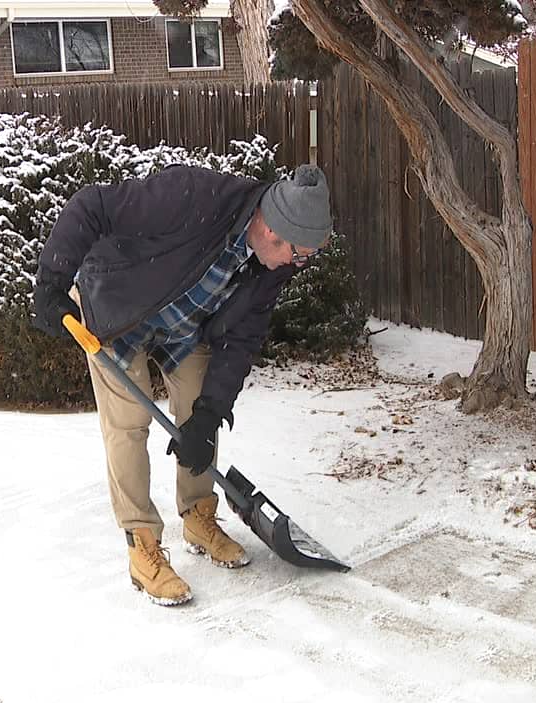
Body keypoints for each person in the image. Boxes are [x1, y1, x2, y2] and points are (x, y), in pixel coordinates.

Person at [32, 163, 333, 606]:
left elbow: (242, 339)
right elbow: (92, 204)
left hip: (185, 324)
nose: (300, 265)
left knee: (198, 408)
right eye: (301, 254)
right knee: (129, 423)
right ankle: (142, 544)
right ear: (272, 231)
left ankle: (197, 515)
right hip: (120, 305)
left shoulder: (272, 267)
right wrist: (52, 281)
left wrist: (210, 413)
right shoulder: (195, 197)